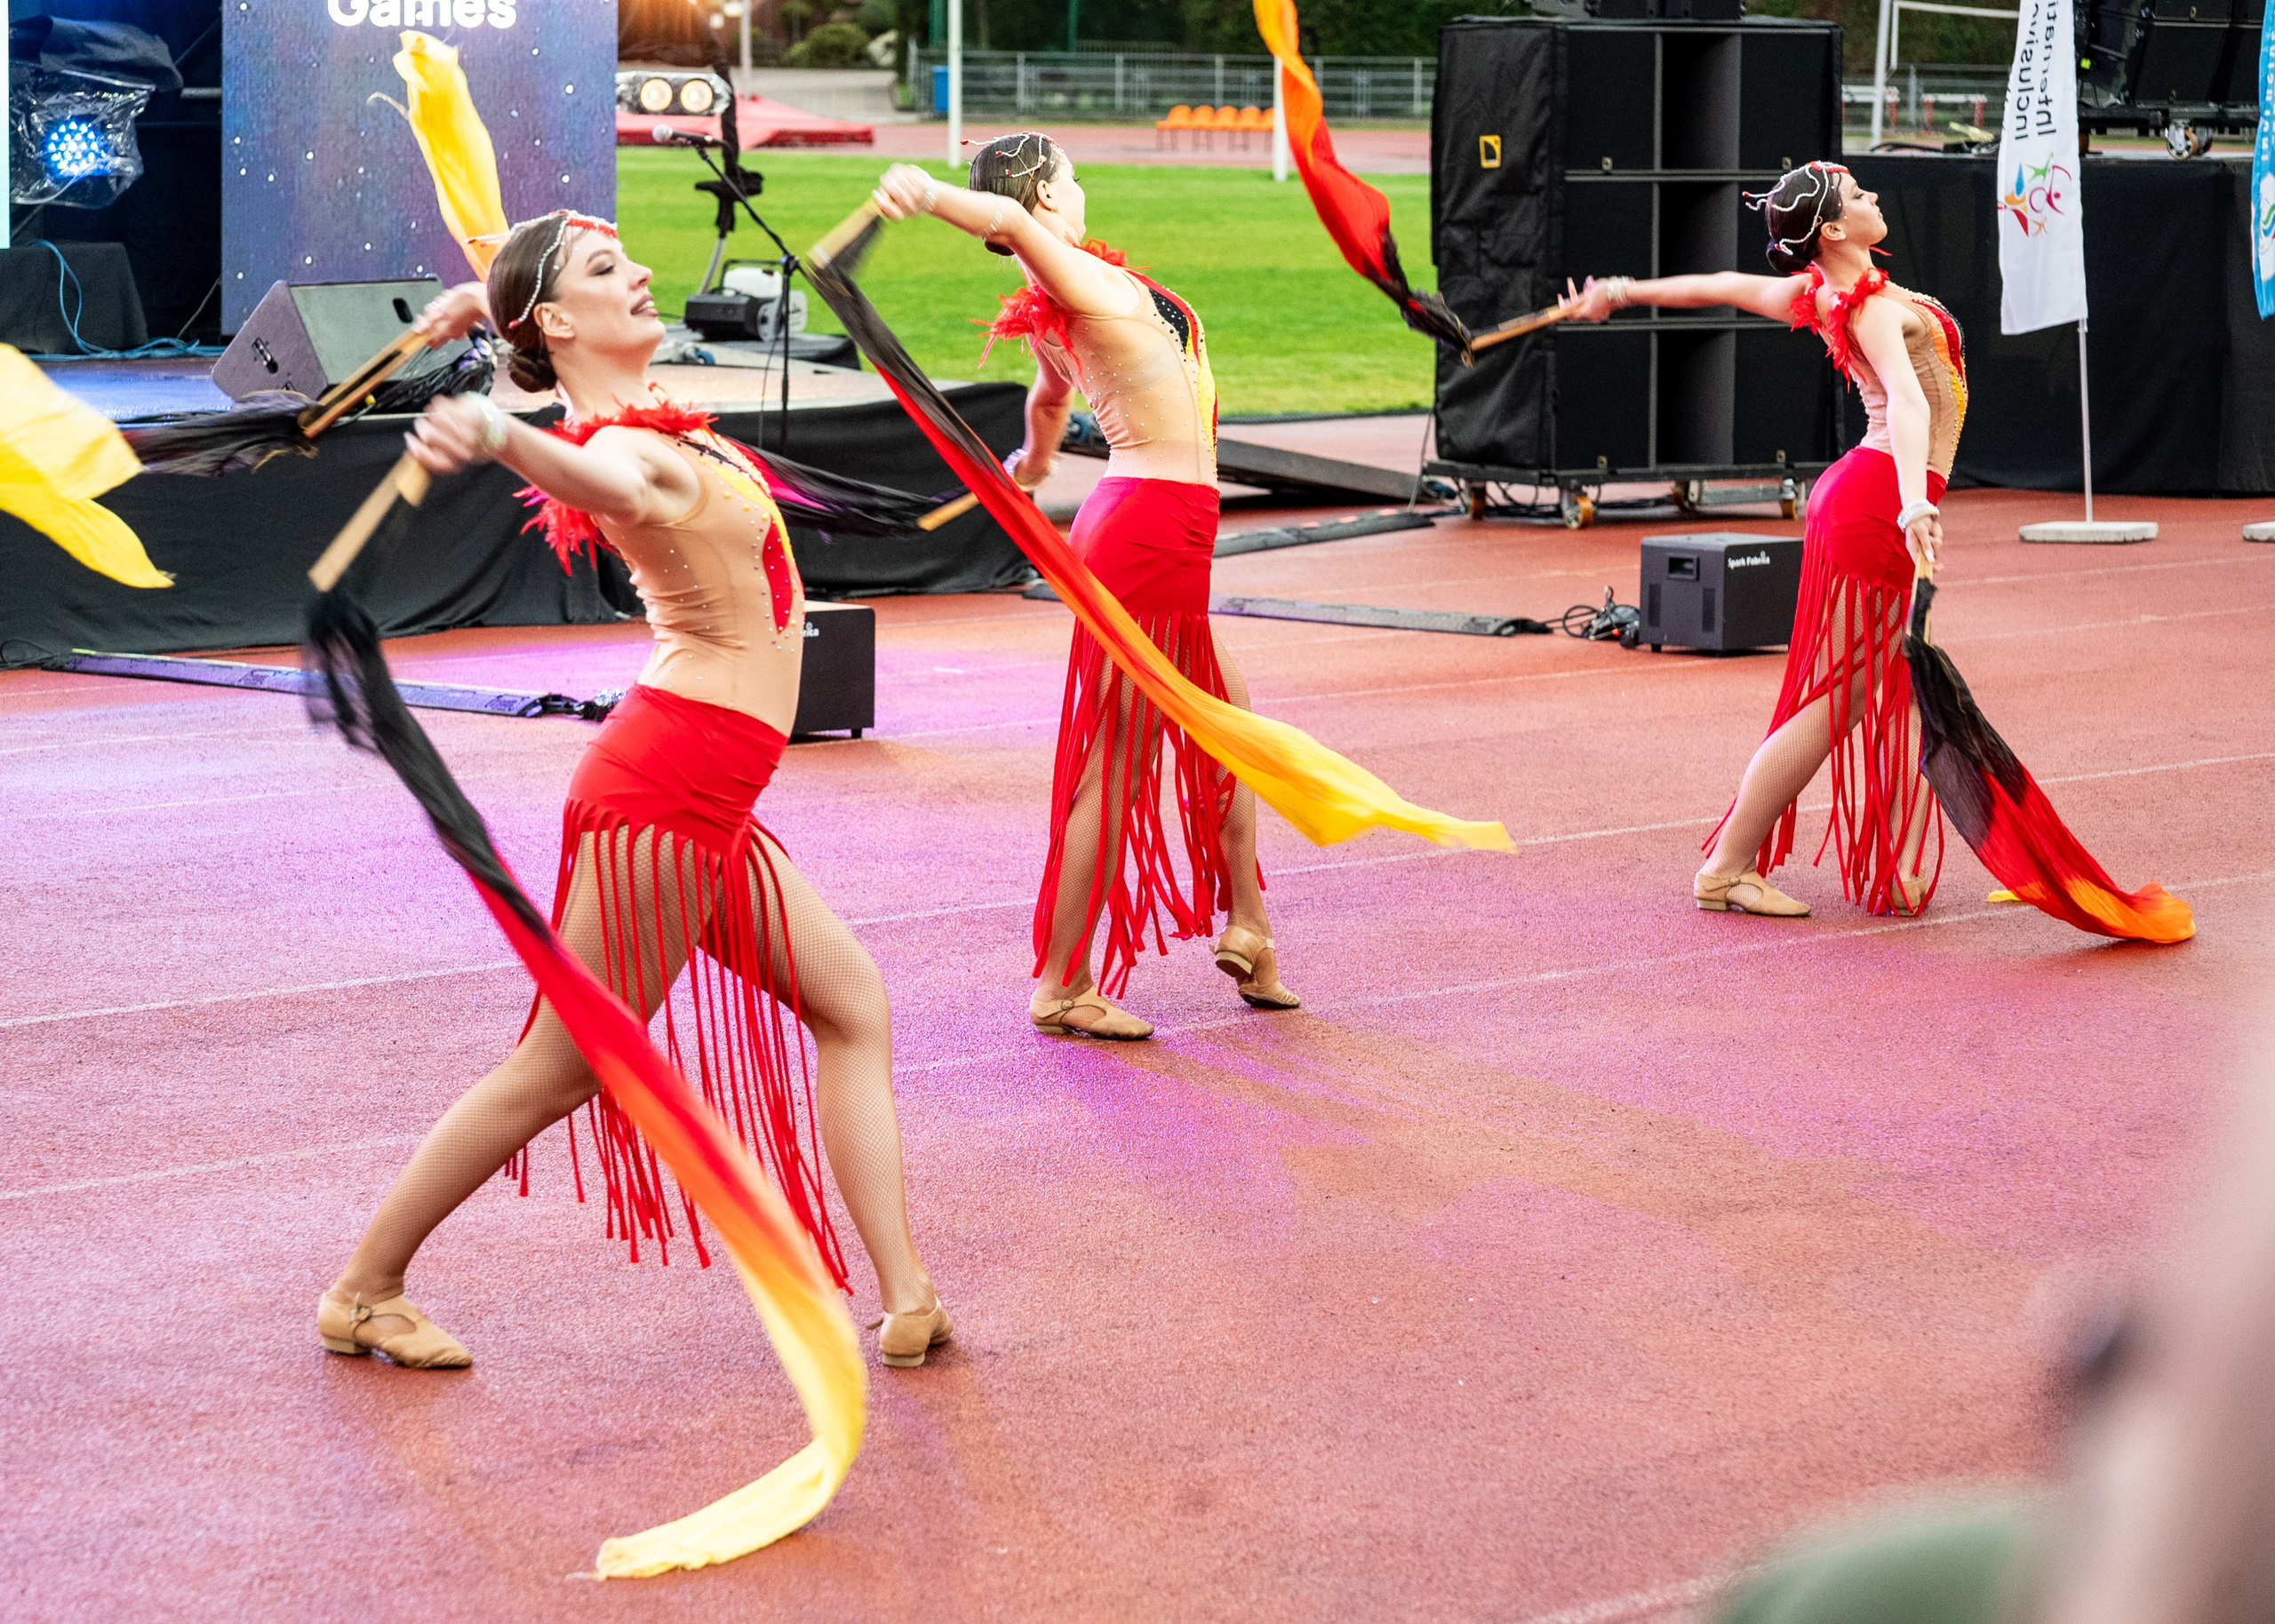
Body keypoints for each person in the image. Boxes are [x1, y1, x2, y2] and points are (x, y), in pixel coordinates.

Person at [317, 211, 950, 1372]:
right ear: (560, 323)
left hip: (708, 793)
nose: (647, 271)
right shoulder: (624, 449)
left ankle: (909, 1295)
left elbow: (548, 352)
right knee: (564, 1066)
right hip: (667, 791)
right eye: (609, 270)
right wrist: (505, 436)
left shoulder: (652, 421)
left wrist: (484, 321)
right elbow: (601, 475)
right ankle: (365, 1289)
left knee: (852, 1003)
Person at [871, 133, 1297, 1042]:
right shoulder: (1066, 275)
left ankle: (1250, 928)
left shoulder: (1064, 296)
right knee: (1117, 765)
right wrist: (928, 192)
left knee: (1230, 733)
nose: (1081, 185)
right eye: (1069, 175)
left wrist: (1029, 467)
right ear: (1044, 196)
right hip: (1150, 533)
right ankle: (1063, 984)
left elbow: (1048, 404)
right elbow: (1001, 216)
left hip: (1162, 529)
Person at [1561, 162, 1966, 919]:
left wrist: (1619, 291)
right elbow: (1908, 404)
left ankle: (1895, 863)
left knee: (1904, 684)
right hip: (1880, 501)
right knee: (1841, 698)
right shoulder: (1869, 307)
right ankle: (1727, 867)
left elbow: (1717, 283)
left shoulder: (1818, 293)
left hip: (1867, 495)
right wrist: (1915, 504)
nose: (1874, 196)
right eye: (1858, 196)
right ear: (1835, 230)